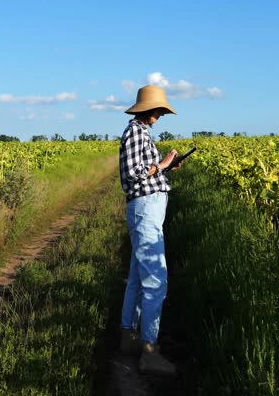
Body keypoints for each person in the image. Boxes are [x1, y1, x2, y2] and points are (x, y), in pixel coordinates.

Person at [118, 84, 182, 377]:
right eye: (159, 110)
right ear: (149, 109)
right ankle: (149, 351)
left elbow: (143, 171)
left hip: (146, 208)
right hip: (145, 209)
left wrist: (165, 167)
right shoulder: (135, 132)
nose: (160, 114)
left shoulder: (142, 133)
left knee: (137, 277)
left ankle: (129, 336)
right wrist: (161, 165)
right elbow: (134, 173)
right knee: (156, 281)